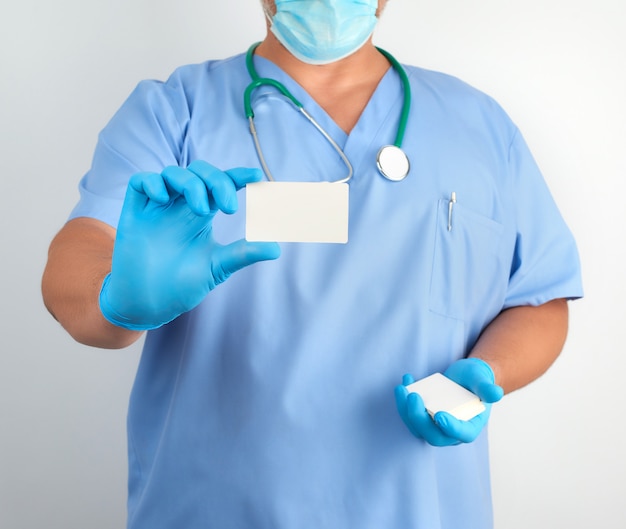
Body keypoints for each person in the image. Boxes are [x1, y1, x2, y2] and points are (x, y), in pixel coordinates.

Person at [41, 1, 583, 528]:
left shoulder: (479, 125)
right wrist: (116, 300)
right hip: (209, 508)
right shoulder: (175, 111)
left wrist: (487, 373)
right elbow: (80, 252)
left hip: (421, 510)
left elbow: (539, 297)